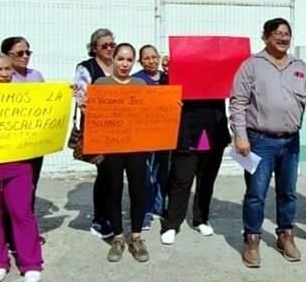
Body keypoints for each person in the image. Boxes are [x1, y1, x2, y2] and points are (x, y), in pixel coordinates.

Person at [229, 18, 306, 268]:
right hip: (259, 140)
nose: (283, 38)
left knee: (288, 193)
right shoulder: (252, 65)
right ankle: (252, 240)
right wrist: (240, 136)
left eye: (286, 34)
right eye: (277, 34)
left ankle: (285, 235)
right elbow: (238, 102)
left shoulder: (299, 65)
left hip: (290, 141)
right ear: (265, 37)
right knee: (256, 194)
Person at [0, 52, 44, 282]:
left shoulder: (24, 96)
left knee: (22, 213)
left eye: (7, 70)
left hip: (18, 164)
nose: (4, 74)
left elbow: (45, 113)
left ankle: (31, 263)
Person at [88, 43, 150, 262]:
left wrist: (171, 107)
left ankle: (136, 236)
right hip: (111, 147)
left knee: (138, 190)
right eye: (121, 59)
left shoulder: (140, 84)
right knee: (112, 190)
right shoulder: (101, 84)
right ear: (112, 59)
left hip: (136, 147)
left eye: (129, 60)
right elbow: (94, 119)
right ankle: (117, 237)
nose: (124, 64)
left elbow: (149, 115)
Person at [159, 99, 230, 245]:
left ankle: (201, 219)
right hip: (187, 131)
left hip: (214, 131)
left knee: (206, 180)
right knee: (180, 180)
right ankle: (172, 224)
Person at [73, 28, 115, 239]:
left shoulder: (118, 65)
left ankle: (112, 215)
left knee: (115, 172)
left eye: (112, 45)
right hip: (97, 126)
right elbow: (82, 99)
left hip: (119, 127)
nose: (109, 49)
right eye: (104, 46)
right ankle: (100, 219)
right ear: (94, 48)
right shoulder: (85, 68)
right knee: (104, 173)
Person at [2, 36, 46, 215]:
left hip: (34, 141)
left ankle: (27, 224)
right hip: (11, 141)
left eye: (28, 52)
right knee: (10, 186)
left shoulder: (36, 75)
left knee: (31, 184)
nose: (25, 56)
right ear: (7, 55)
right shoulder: (3, 77)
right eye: (20, 52)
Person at [133, 44, 170, 232]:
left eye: (154, 57)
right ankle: (145, 212)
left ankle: (159, 207)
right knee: (146, 176)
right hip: (144, 135)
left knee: (162, 172)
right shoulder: (137, 80)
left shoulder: (166, 78)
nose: (151, 61)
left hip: (165, 133)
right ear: (140, 61)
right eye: (146, 58)